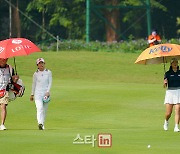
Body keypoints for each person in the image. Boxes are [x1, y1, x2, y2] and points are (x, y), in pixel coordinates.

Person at [30, 58, 52, 130]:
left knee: (44, 110)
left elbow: (50, 82)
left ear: (44, 64)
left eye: (42, 63)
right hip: (38, 93)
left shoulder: (48, 72)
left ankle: (42, 124)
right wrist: (32, 94)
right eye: (39, 63)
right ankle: (40, 123)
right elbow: (34, 84)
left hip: (46, 93)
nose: (41, 64)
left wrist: (48, 91)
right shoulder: (35, 74)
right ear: (37, 65)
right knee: (40, 108)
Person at [0, 58, 19, 130]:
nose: (4, 61)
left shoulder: (10, 68)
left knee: (3, 106)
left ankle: (2, 124)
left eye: (5, 59)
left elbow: (13, 80)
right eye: (2, 59)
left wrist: (15, 79)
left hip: (4, 90)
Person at [163, 58, 180, 132]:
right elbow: (164, 86)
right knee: (168, 113)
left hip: (178, 91)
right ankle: (166, 121)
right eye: (173, 63)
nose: (175, 64)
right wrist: (165, 82)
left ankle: (176, 126)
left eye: (176, 62)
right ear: (171, 64)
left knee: (178, 110)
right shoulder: (167, 73)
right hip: (170, 92)